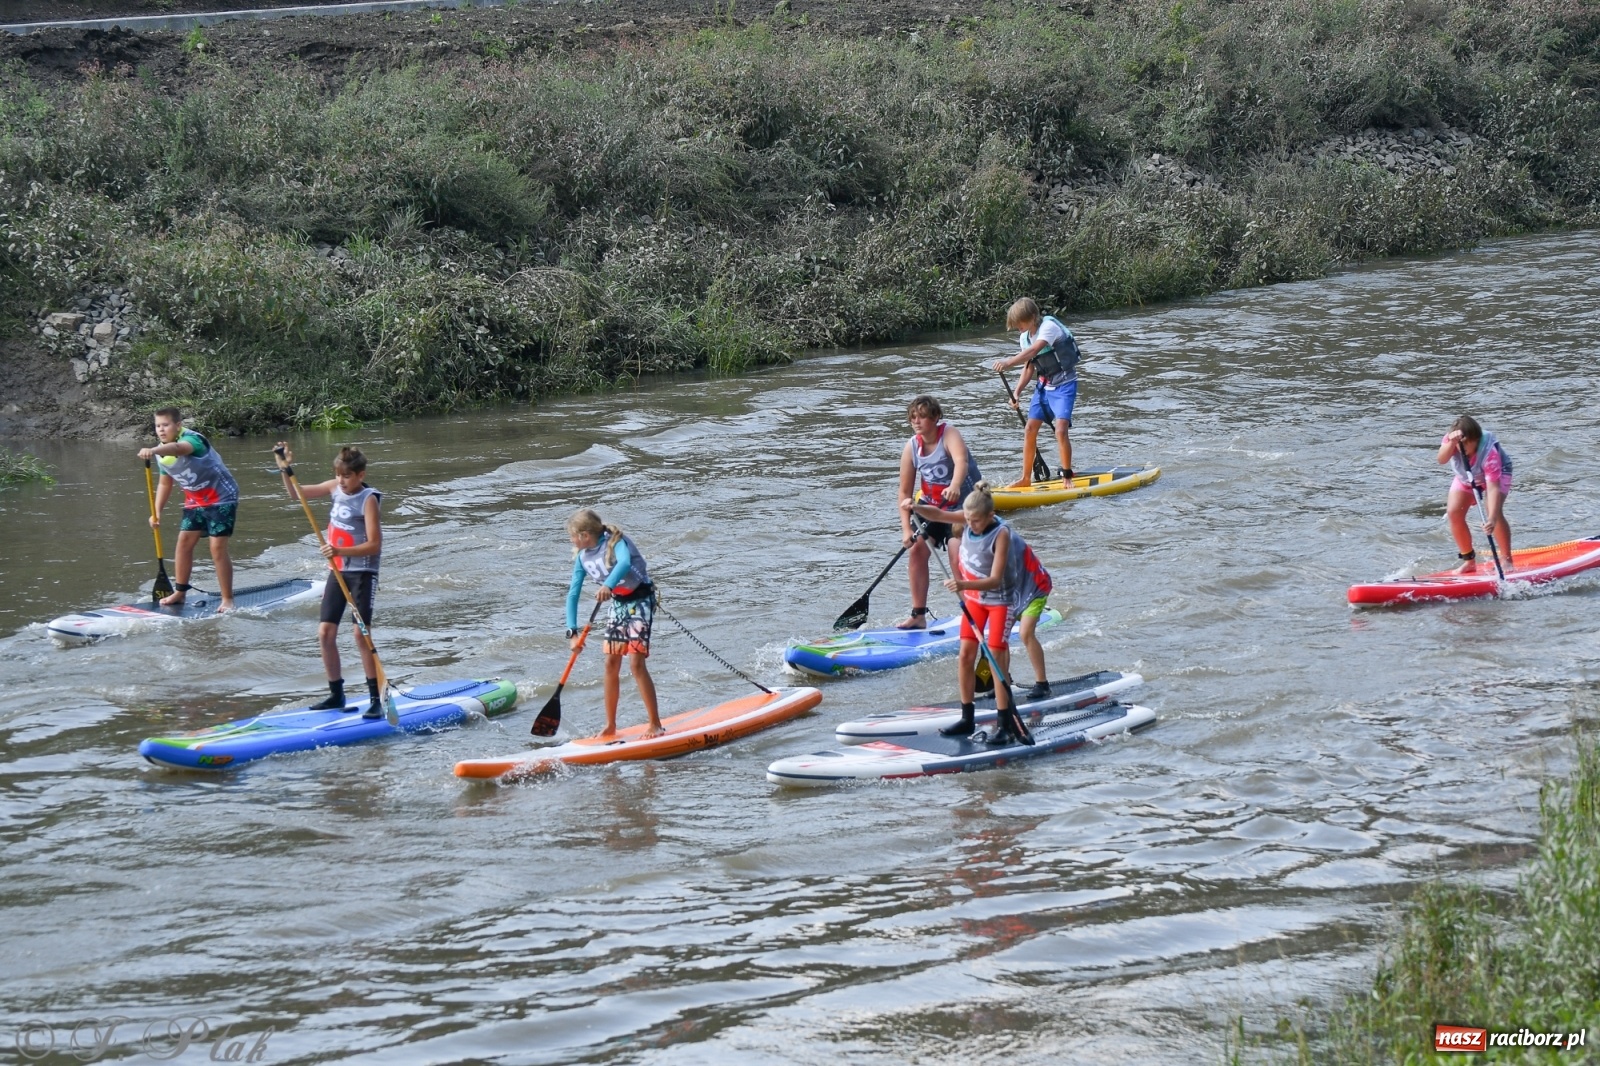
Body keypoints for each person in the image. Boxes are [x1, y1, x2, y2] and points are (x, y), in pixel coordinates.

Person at [904, 481, 1053, 741]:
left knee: (995, 659)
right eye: (967, 519)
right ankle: (966, 718)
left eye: (975, 521)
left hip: (999, 601)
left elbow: (996, 579)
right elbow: (938, 514)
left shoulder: (1001, 534)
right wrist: (915, 507)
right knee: (965, 656)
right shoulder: (970, 517)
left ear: (990, 516)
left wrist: (963, 584)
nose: (969, 525)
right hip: (974, 601)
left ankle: (1005, 722)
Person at [277, 444, 384, 718]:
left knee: (360, 635)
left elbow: (374, 545)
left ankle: (376, 698)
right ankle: (336, 694)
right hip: (337, 572)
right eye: (338, 475)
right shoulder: (334, 488)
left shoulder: (368, 499)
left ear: (360, 475)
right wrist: (284, 467)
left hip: (362, 574)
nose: (340, 481)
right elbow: (295, 495)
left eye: (346, 476)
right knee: (325, 633)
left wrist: (339, 551)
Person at [566, 509, 664, 739]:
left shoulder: (616, 541)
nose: (570, 541)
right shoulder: (582, 557)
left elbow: (625, 563)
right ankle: (610, 725)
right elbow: (573, 593)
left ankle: (655, 724)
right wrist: (572, 632)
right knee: (611, 662)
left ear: (584, 535)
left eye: (572, 536)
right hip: (619, 605)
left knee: (636, 664)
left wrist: (608, 585)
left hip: (640, 601)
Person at [137, 407, 239, 611]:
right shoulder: (161, 455)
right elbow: (165, 484)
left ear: (178, 425)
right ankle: (180, 592)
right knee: (183, 543)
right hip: (195, 500)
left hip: (222, 498)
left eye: (166, 425)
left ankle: (227, 599)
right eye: (158, 426)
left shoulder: (193, 440)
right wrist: (156, 512)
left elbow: (178, 449)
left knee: (216, 548)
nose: (161, 430)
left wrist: (154, 450)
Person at [896, 395, 981, 630]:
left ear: (935, 417)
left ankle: (972, 612)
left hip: (961, 506)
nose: (917, 422)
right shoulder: (912, 447)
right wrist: (905, 529)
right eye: (913, 417)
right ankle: (918, 615)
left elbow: (961, 461)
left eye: (922, 416)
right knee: (916, 551)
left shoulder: (949, 434)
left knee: (955, 553)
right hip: (930, 508)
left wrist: (954, 485)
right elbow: (904, 492)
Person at [992, 297, 1081, 487]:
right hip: (1044, 387)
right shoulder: (1024, 337)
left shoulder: (1048, 327)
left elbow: (1034, 351)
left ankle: (1067, 475)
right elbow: (1029, 367)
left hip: (1065, 384)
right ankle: (1025, 478)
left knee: (1061, 430)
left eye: (1020, 323)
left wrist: (1008, 362)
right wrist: (1016, 393)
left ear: (1033, 317)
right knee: (1030, 429)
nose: (1018, 327)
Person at [1438, 415, 1512, 573]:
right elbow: (1441, 459)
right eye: (1460, 445)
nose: (1461, 449)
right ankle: (1469, 561)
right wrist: (1452, 443)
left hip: (1497, 475)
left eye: (1466, 444)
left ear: (1476, 440)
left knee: (1494, 511)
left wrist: (1491, 518)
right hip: (1467, 475)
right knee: (1454, 513)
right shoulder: (1451, 440)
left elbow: (1492, 488)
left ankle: (1506, 560)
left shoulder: (1489, 454)